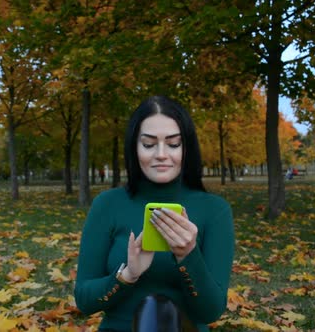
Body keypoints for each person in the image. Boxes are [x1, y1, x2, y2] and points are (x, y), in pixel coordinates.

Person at [74, 96, 235, 331]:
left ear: (186, 148)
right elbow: (84, 301)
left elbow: (211, 311)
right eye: (149, 144)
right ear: (134, 147)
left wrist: (188, 256)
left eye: (173, 143)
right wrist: (128, 274)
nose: (161, 154)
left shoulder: (215, 210)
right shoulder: (107, 205)